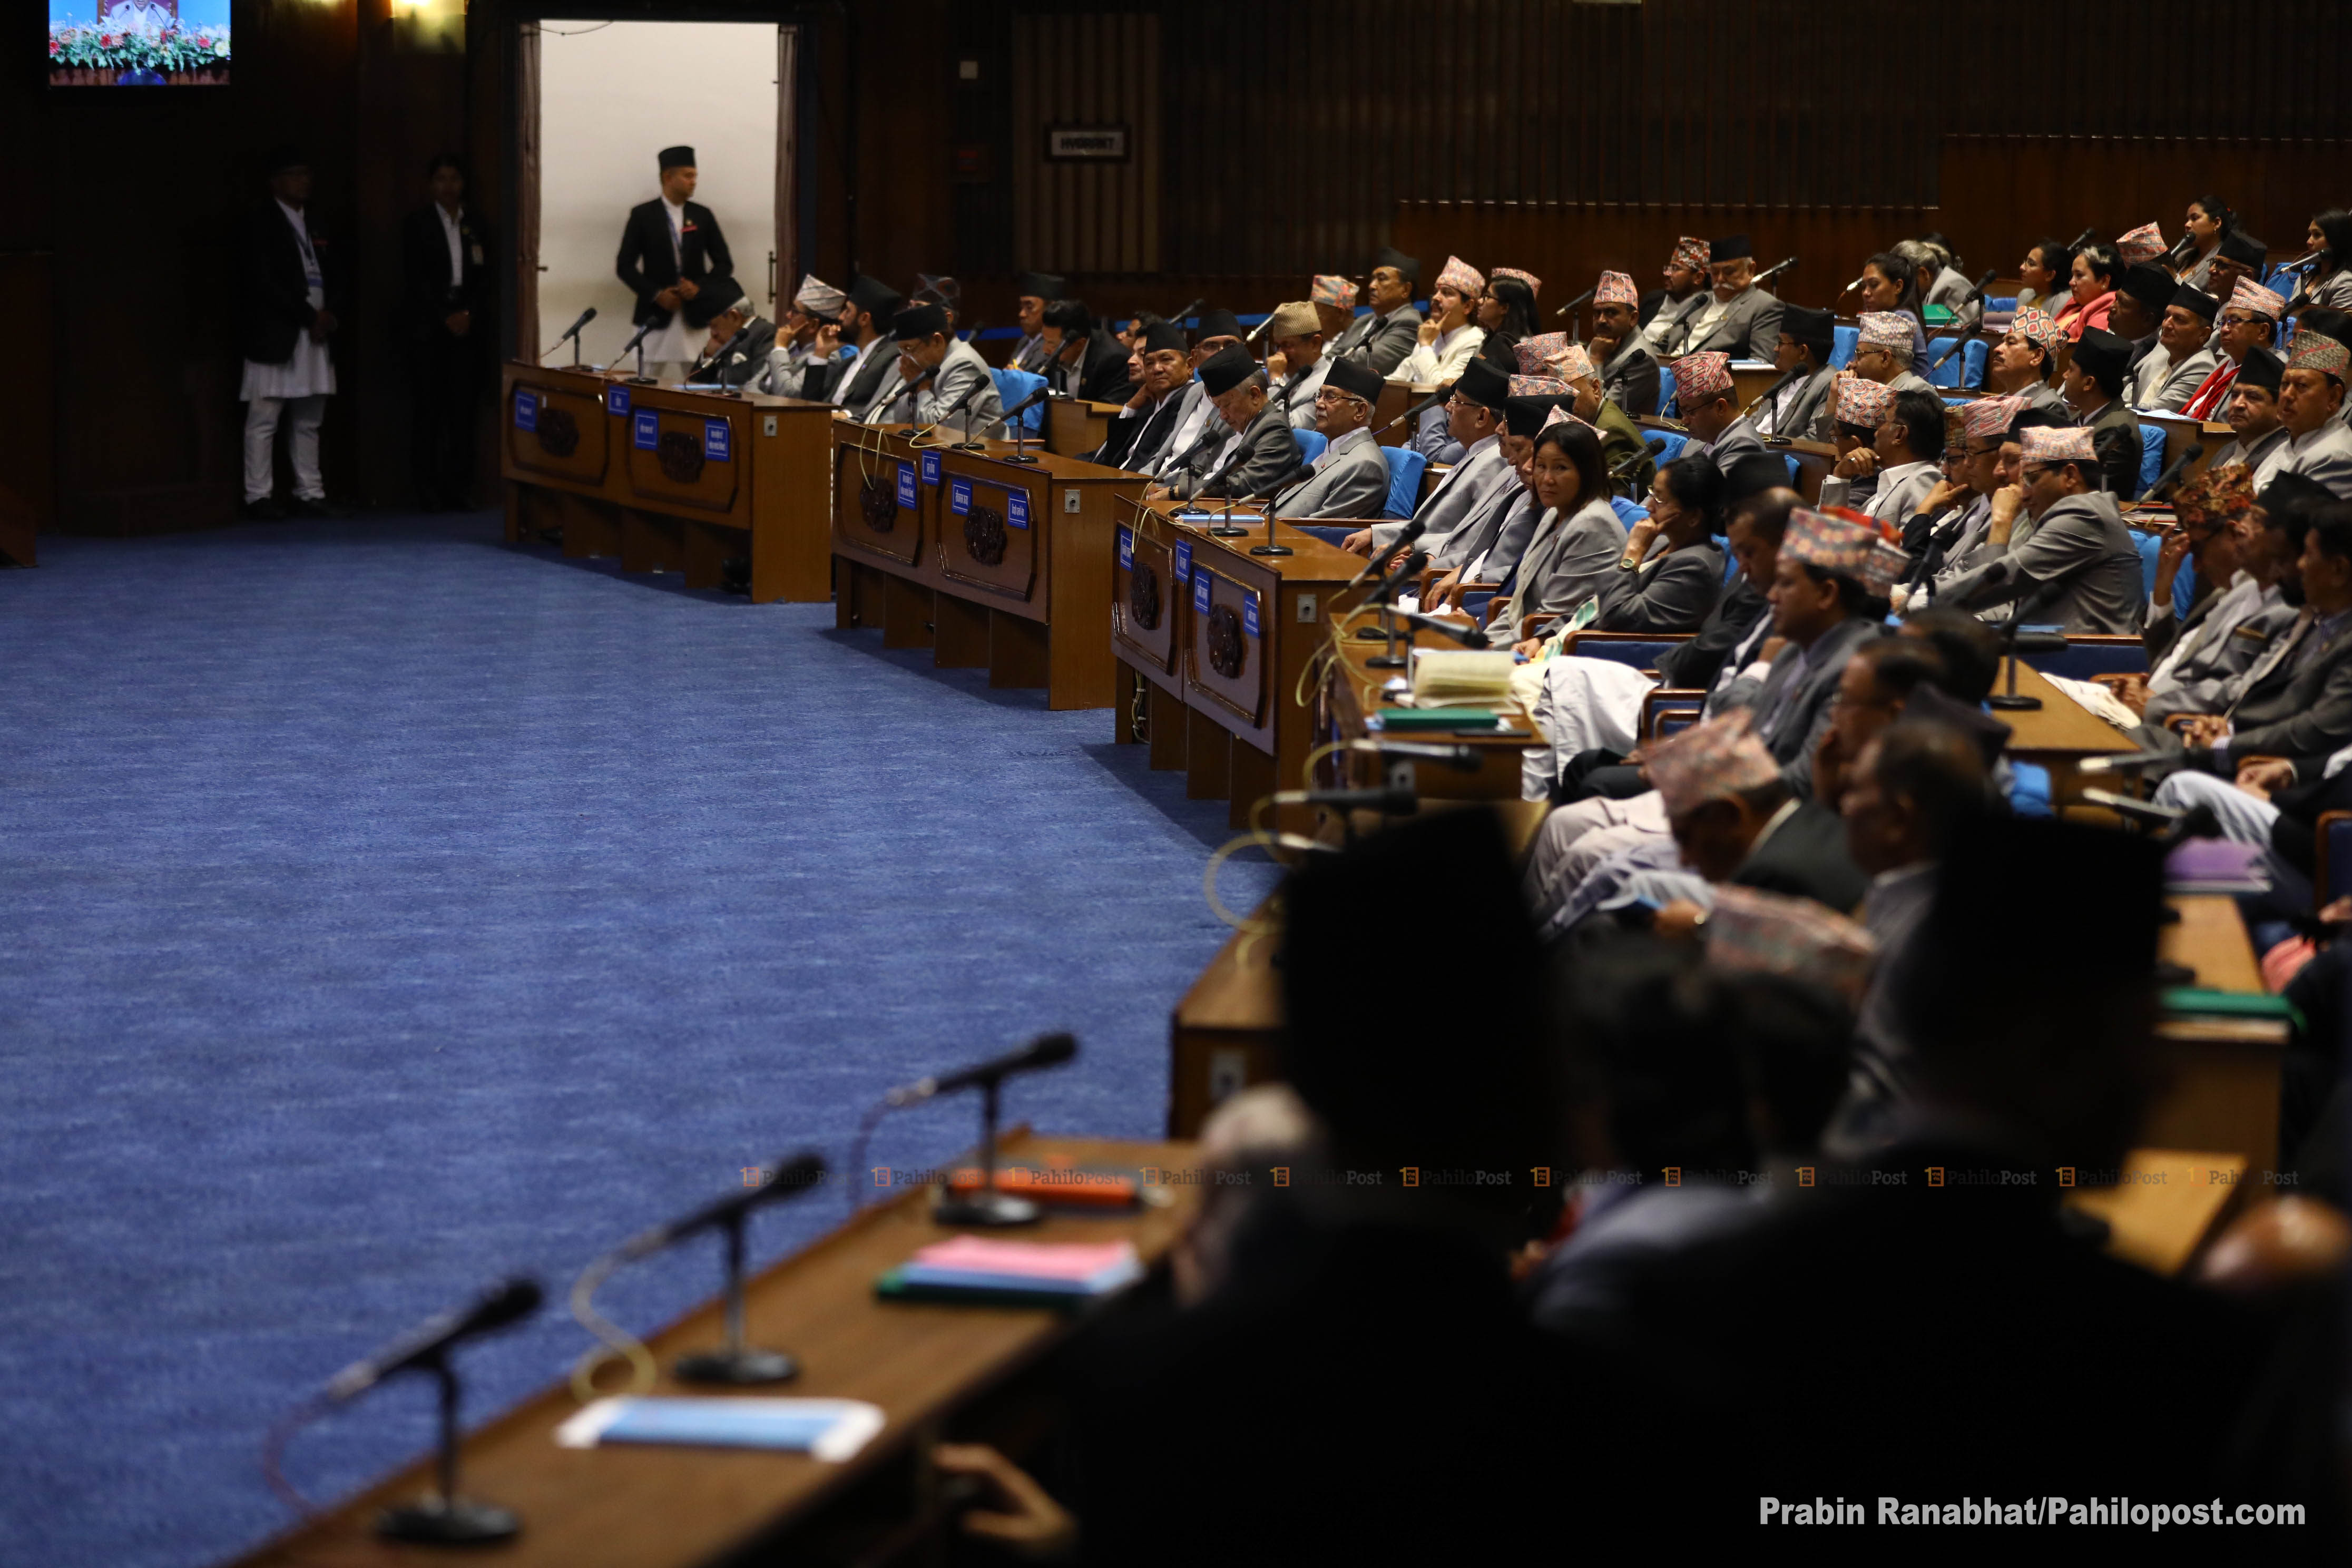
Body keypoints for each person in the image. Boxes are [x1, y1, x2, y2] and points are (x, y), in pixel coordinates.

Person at [2153, 500, 2352, 818]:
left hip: (2306, 805)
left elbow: (2315, 729)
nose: (2300, 567)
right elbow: (2266, 692)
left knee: (2173, 782)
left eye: (2308, 556)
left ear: (2339, 571)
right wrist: (2227, 726)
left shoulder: (2324, 630)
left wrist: (2228, 741)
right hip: (2242, 744)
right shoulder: (2320, 625)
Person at [1933, 425, 2147, 633]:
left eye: (2031, 479)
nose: (2023, 495)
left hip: (2088, 658)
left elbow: (2008, 576)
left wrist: (1926, 599)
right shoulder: (2082, 514)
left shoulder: (2085, 516)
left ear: (2071, 476)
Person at [239, 145, 342, 521]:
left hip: (316, 332)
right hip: (278, 331)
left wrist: (329, 316)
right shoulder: (260, 221)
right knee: (265, 415)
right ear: (275, 182)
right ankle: (258, 495)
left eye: (307, 173)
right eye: (296, 173)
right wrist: (307, 315)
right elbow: (263, 280)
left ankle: (309, 492)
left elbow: (334, 274)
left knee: (310, 415)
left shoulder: (316, 221)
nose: (305, 180)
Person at [1342, 356, 1514, 557]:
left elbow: (1472, 538)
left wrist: (1413, 548)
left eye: (1456, 401)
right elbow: (1429, 526)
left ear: (1482, 417)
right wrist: (1376, 534)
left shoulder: (1494, 461)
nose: (1448, 408)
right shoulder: (1476, 454)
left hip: (1432, 565)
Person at [1479, 415, 1625, 644]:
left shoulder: (1593, 526)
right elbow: (1518, 606)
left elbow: (1548, 621)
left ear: (1587, 472)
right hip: (1521, 640)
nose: (1547, 479)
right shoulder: (1553, 513)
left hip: (1550, 653)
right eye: (1541, 467)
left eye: (1561, 468)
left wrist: (1483, 654)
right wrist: (1482, 641)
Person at [399, 152, 491, 513]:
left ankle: (458, 488)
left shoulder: (477, 224)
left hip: (467, 327)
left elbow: (485, 279)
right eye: (441, 179)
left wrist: (468, 313)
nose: (448, 186)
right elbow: (415, 279)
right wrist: (444, 315)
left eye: (454, 179)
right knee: (428, 410)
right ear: (430, 184)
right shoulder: (417, 224)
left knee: (462, 410)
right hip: (429, 327)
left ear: (463, 183)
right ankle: (426, 488)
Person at [614, 146, 734, 383]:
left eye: (695, 176)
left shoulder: (702, 215)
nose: (694, 182)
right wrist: (657, 294)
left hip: (696, 316)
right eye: (688, 176)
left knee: (702, 386)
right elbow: (624, 266)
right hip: (655, 316)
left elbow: (724, 264)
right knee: (644, 384)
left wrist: (700, 288)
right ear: (668, 177)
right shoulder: (643, 215)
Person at [1149, 345, 1300, 504]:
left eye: (1226, 405)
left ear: (1254, 395)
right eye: (1218, 407)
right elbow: (1202, 468)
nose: (1222, 415)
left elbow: (1243, 485)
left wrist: (1178, 491)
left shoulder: (1275, 429)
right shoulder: (1236, 424)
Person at [1269, 355, 1390, 519]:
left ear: (1360, 411)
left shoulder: (1365, 466)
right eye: (1319, 396)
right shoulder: (1331, 450)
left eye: (1331, 397)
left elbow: (1320, 530)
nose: (1318, 404)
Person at [866, 302, 1003, 437]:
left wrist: (921, 389)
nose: (905, 358)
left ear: (937, 341)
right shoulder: (926, 365)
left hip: (983, 452)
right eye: (902, 350)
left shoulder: (964, 364)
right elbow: (902, 420)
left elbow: (943, 428)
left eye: (908, 349)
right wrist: (913, 387)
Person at [1819, 386, 1943, 526]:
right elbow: (1828, 531)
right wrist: (1841, 475)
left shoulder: (1923, 481)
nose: (1876, 433)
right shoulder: (1891, 481)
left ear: (1899, 434)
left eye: (1882, 423)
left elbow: (1907, 545)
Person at [1090, 319, 1192, 472]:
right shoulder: (1149, 404)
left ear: (1190, 366)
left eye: (1166, 360)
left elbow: (1158, 465)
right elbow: (1109, 457)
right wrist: (1131, 408)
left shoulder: (1187, 402)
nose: (1157, 369)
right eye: (1149, 363)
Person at [1660, 234, 1781, 361]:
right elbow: (1662, 345)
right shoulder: (1696, 302)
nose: (1720, 279)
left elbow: (1760, 363)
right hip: (1667, 370)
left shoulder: (1765, 306)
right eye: (1715, 272)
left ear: (1751, 270)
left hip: (1708, 377)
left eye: (1729, 272)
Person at [2181, 278, 2286, 421]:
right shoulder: (2227, 362)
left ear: (2263, 331)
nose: (2224, 330)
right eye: (2223, 322)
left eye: (2234, 322)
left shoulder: (2274, 370)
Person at [2275, 310, 2352, 497]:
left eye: (2301, 386)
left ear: (2333, 398)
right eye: (2285, 385)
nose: (2288, 395)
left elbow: (2286, 524)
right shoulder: (2287, 440)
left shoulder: (2335, 457)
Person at [2061, 327, 2144, 495]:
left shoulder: (2117, 431)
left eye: (2071, 370)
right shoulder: (2078, 417)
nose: (2064, 375)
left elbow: (2084, 489)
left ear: (2089, 384)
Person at [1390, 254, 1487, 385]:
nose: (1436, 297)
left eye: (1446, 293)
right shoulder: (1432, 334)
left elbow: (1440, 390)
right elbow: (1398, 378)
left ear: (1467, 306)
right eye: (1436, 292)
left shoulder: (1474, 341)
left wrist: (1425, 345)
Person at [1324, 248, 1420, 376]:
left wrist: (1329, 364)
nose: (1372, 286)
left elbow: (1368, 361)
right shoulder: (1363, 320)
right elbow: (1331, 353)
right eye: (1373, 279)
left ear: (1406, 290)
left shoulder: (1409, 322)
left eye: (1382, 279)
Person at [2206, 344, 2292, 484]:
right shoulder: (2226, 450)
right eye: (2234, 396)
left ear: (2280, 409)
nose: (2238, 404)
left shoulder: (2284, 457)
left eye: (2253, 397)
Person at [1752, 303, 1838, 440]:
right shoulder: (1792, 376)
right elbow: (1756, 421)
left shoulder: (1828, 383)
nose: (1775, 349)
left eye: (1781, 343)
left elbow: (1815, 439)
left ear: (1803, 352)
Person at [2130, 284, 2221, 411]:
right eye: (2167, 316)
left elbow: (2153, 412)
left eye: (2179, 320)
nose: (2166, 325)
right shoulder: (2156, 361)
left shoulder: (2203, 367)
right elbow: (2125, 399)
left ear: (2204, 334)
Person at [1671, 351, 1765, 472]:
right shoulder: (1698, 440)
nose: (1684, 420)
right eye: (1682, 411)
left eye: (1690, 412)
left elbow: (1711, 491)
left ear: (1720, 407)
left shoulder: (1746, 446)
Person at [1586, 269, 1661, 418]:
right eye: (1597, 313)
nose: (1601, 320)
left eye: (1611, 313)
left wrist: (1596, 361)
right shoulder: (1603, 340)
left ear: (1633, 319)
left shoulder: (1642, 359)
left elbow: (1601, 410)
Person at [830, 275, 906, 418]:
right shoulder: (848, 361)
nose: (841, 317)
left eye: (848, 311)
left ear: (864, 319)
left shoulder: (892, 355)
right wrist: (820, 356)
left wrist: (844, 416)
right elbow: (814, 400)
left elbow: (880, 405)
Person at [760, 274, 848, 399]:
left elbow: (788, 395)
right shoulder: (790, 344)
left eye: (795, 312)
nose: (788, 315)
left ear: (813, 324)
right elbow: (753, 382)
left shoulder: (827, 358)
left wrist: (780, 349)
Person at [1983, 304, 2071, 418]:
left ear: (2037, 357)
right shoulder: (1996, 403)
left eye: (2011, 343)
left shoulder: (2051, 407)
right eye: (2002, 343)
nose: (1997, 349)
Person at [1040, 299, 1132, 404]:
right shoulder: (1057, 353)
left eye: (1052, 345)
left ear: (1079, 344)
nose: (1045, 350)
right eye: (1045, 341)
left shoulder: (1114, 360)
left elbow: (1108, 412)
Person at [1259, 301, 1331, 428]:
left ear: (1315, 343)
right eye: (1278, 346)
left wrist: (1276, 379)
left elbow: (1287, 430)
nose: (1281, 354)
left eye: (1287, 345)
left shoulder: (1327, 383)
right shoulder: (1289, 374)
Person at [683, 292, 774, 389]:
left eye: (715, 326)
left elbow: (759, 385)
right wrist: (708, 355)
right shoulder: (726, 339)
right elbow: (692, 385)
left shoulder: (766, 334)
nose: (713, 334)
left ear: (735, 317)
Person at [1851, 251, 1928, 361]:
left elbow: (1872, 366)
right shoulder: (1880, 317)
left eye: (1874, 285)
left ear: (1898, 286)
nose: (1866, 293)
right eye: (1864, 286)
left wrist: (1852, 370)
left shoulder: (1903, 318)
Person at [1640, 236, 1710, 354]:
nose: (1667, 274)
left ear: (1698, 278)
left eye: (1676, 269)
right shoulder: (1652, 300)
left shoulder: (1707, 310)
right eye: (1669, 268)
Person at [1847, 310, 1934, 396]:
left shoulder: (1918, 392)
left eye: (1859, 355)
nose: (1853, 365)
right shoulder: (1871, 390)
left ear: (1885, 359)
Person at [2289, 209, 2352, 316]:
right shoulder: (2305, 276)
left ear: (2336, 240)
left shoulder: (2346, 283)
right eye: (2310, 234)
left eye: (2317, 235)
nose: (2309, 242)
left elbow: (2336, 328)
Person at [2054, 240, 2119, 340]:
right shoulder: (2076, 304)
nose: (2071, 282)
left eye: (2079, 275)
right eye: (2073, 276)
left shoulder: (2108, 315)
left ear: (2104, 281)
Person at [1475, 269, 1541, 361]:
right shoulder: (1485, 344)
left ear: (1504, 308)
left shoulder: (1523, 348)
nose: (1480, 301)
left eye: (1488, 297)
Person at [1007, 269, 1067, 373]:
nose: (1021, 314)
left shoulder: (1053, 343)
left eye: (1029, 307)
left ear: (1050, 309)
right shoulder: (1024, 340)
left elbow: (1037, 378)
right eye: (1022, 307)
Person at [2177, 193, 2235, 292]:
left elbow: (2212, 302)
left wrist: (2174, 279)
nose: (2187, 224)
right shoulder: (2183, 255)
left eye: (2195, 218)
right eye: (2188, 220)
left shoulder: (2225, 262)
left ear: (2216, 223)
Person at [2015, 236, 2074, 316]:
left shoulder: (2066, 302)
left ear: (2049, 275)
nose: (2022, 267)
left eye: (2031, 264)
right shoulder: (2024, 295)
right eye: (2026, 262)